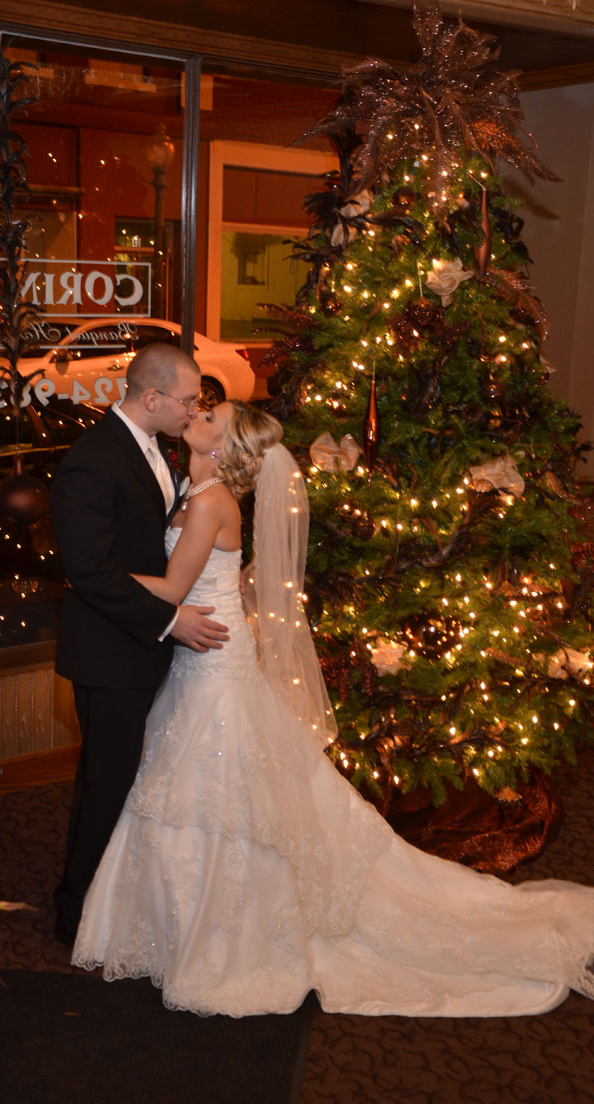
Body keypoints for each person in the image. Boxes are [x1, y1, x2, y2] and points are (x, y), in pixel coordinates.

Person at [72, 401, 594, 1017]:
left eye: (212, 413)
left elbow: (173, 589)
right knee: (196, 789)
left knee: (214, 791)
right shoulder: (198, 485)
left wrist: (88, 575)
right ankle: (178, 929)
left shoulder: (211, 501)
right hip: (203, 651)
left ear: (225, 442)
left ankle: (231, 933)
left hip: (211, 660)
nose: (200, 410)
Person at [51, 344, 229, 946]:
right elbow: (91, 572)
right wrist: (171, 619)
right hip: (109, 651)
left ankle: (114, 904)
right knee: (106, 784)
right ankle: (74, 916)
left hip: (142, 648)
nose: (192, 410)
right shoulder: (91, 461)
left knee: (132, 780)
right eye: (186, 400)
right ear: (150, 398)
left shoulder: (159, 450)